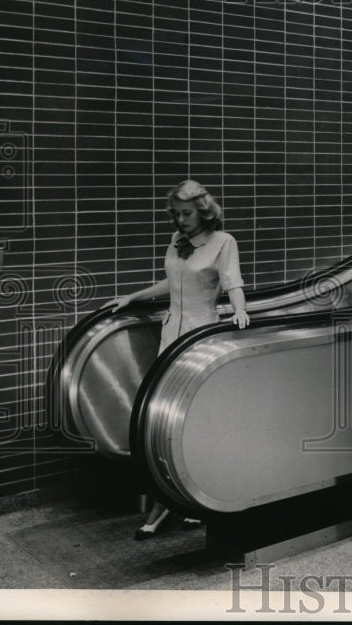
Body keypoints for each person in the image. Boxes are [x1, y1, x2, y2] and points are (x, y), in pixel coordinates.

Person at [109, 179, 249, 539]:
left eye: (187, 213)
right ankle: (168, 497)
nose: (181, 220)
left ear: (203, 210)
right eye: (176, 214)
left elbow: (232, 282)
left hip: (201, 338)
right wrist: (133, 296)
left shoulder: (223, 242)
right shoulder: (177, 242)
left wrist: (240, 312)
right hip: (171, 336)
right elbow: (173, 283)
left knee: (196, 417)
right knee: (166, 416)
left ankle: (192, 496)